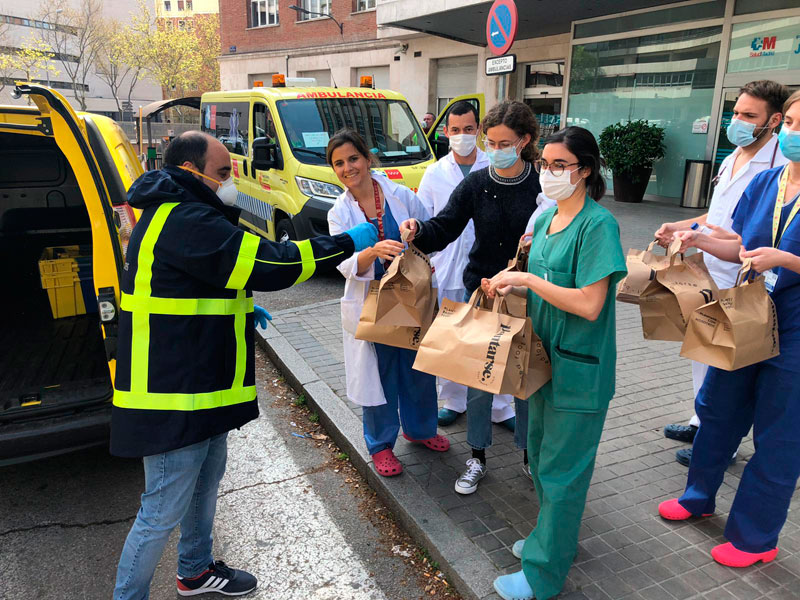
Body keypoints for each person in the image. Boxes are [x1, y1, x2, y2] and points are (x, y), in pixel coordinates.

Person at [112, 131, 378, 599]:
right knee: (160, 510)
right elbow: (272, 263)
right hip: (172, 395)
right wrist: (346, 243)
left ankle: (194, 571)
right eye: (222, 173)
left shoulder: (175, 212)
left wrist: (237, 305)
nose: (229, 183)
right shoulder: (187, 219)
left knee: (203, 484)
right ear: (191, 172)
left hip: (193, 381)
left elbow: (200, 280)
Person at [482, 126, 627, 600]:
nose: (549, 173)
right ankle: (552, 537)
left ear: (585, 170)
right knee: (542, 460)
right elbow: (541, 286)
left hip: (580, 370)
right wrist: (510, 284)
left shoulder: (597, 225)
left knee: (564, 472)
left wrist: (527, 278)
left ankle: (544, 573)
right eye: (545, 164)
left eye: (560, 165)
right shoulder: (545, 221)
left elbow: (588, 303)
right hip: (543, 362)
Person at [658, 90, 800, 569]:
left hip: (797, 330)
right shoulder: (768, 181)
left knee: (779, 436)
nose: (795, 134)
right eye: (793, 123)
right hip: (747, 314)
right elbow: (738, 242)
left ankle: (755, 539)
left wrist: (788, 260)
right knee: (717, 410)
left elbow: (775, 254)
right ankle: (698, 496)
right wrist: (696, 238)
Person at [400, 100, 542, 495]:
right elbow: (445, 225)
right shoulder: (477, 183)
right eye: (490, 141)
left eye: (504, 142)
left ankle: (531, 456)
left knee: (525, 380)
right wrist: (418, 230)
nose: (494, 149)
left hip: (527, 293)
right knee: (478, 381)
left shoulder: (541, 183)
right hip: (481, 292)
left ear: (524, 140)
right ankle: (477, 456)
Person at [326, 129, 450, 477]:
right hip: (371, 302)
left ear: (367, 159)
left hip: (411, 297)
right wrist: (372, 252)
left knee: (418, 368)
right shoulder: (339, 212)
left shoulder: (399, 194)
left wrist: (416, 230)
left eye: (353, 159)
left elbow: (430, 231)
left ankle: (420, 429)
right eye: (339, 163)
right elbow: (343, 262)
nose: (348, 168)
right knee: (378, 376)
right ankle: (380, 444)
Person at [416, 101, 516, 430]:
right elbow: (429, 221)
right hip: (445, 266)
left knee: (493, 335)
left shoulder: (495, 165)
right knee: (451, 334)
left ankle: (501, 407)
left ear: (479, 131)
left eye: (469, 129)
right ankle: (454, 399)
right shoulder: (434, 172)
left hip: (487, 266)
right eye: (455, 130)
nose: (462, 136)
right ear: (446, 133)